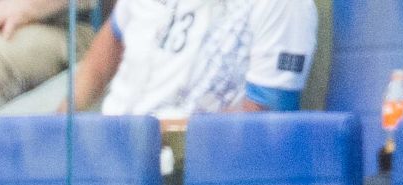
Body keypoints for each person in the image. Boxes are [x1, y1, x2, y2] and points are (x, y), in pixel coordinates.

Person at [69, 0, 316, 118]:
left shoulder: (284, 5)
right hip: (110, 140)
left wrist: (163, 141)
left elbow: (265, 122)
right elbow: (111, 39)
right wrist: (60, 125)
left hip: (189, 173)